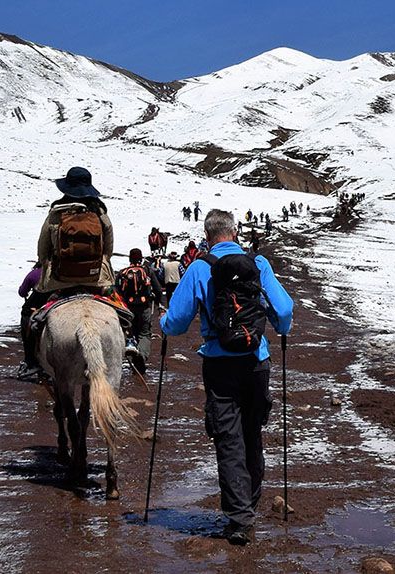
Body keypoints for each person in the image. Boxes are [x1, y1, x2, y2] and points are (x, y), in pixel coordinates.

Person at [160, 209, 293, 545]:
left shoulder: (200, 267)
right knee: (252, 434)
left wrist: (162, 324)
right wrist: (280, 328)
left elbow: (175, 322)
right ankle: (250, 502)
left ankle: (239, 518)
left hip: (219, 364)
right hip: (255, 360)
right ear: (234, 233)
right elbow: (285, 310)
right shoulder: (258, 264)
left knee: (228, 438)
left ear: (207, 236)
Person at [24, 166, 114, 379]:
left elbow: (42, 249)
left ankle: (31, 363)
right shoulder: (100, 212)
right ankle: (128, 341)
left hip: (59, 281)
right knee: (121, 311)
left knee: (28, 311)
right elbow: (108, 250)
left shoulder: (56, 212)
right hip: (95, 280)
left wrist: (46, 264)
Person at [116, 248, 162, 375]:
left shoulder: (122, 273)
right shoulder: (148, 271)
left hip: (128, 308)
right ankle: (142, 355)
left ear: (130, 259)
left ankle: (134, 357)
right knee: (145, 333)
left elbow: (117, 292)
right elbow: (158, 289)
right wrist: (159, 305)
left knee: (131, 333)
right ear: (141, 258)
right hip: (145, 307)